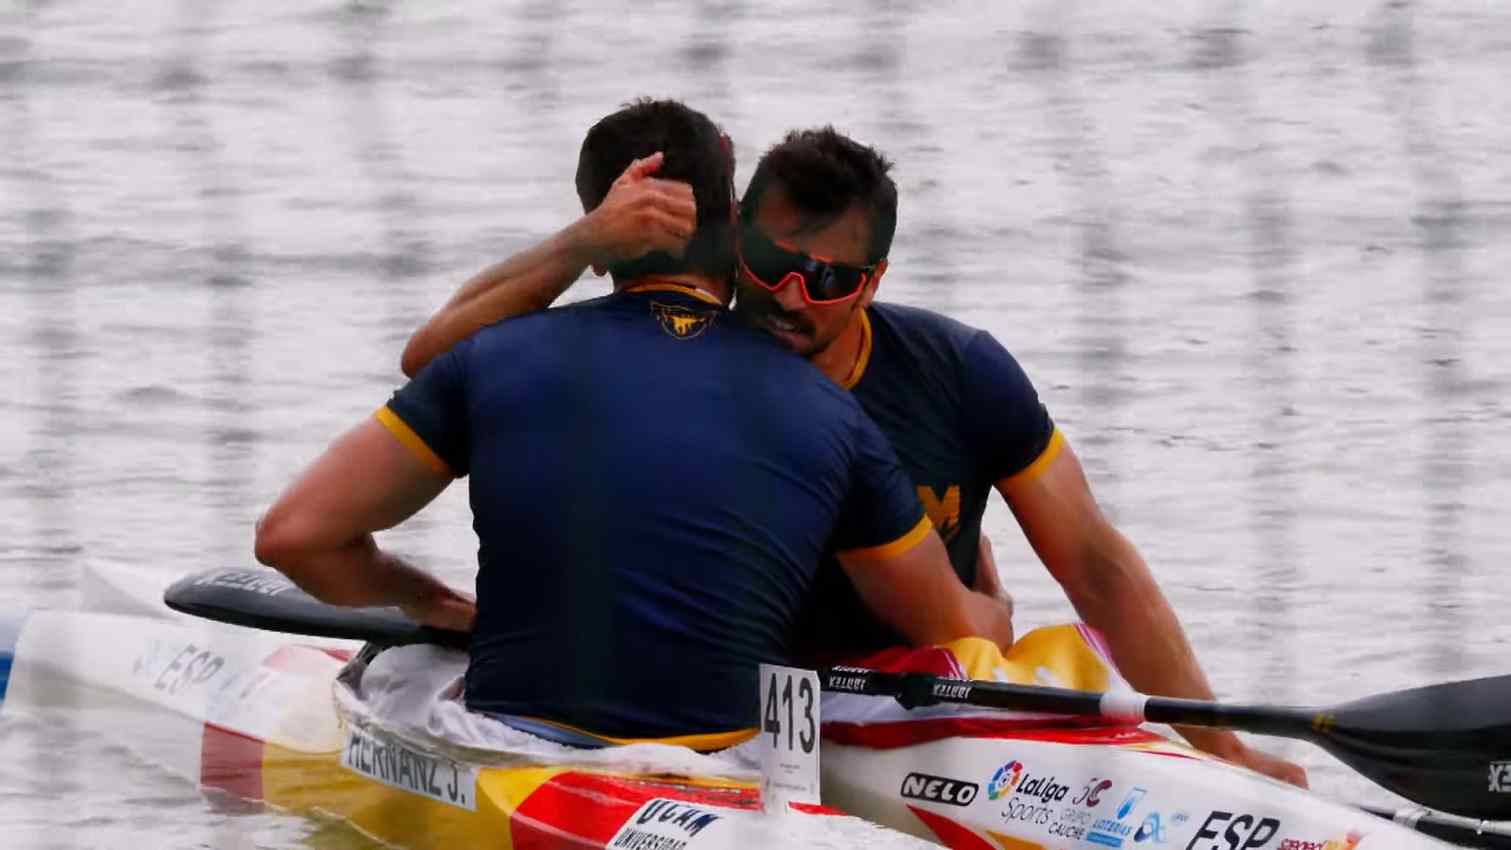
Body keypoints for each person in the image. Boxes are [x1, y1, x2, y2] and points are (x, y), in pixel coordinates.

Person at [398, 123, 1310, 786]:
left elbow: (1098, 568)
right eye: (768, 261)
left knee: (1062, 658)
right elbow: (442, 365)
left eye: (827, 279)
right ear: (732, 241)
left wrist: (1220, 751)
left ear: (873, 281)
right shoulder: (681, 358)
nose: (790, 296)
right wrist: (584, 242)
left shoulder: (960, 370)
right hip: (758, 711)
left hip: (936, 686)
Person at [254, 100, 1012, 746]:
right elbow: (960, 639)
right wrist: (998, 609)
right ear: (734, 227)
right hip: (721, 768)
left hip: (518, 745)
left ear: (599, 233)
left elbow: (294, 537)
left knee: (397, 667)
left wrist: (425, 601)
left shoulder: (492, 358)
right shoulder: (831, 414)